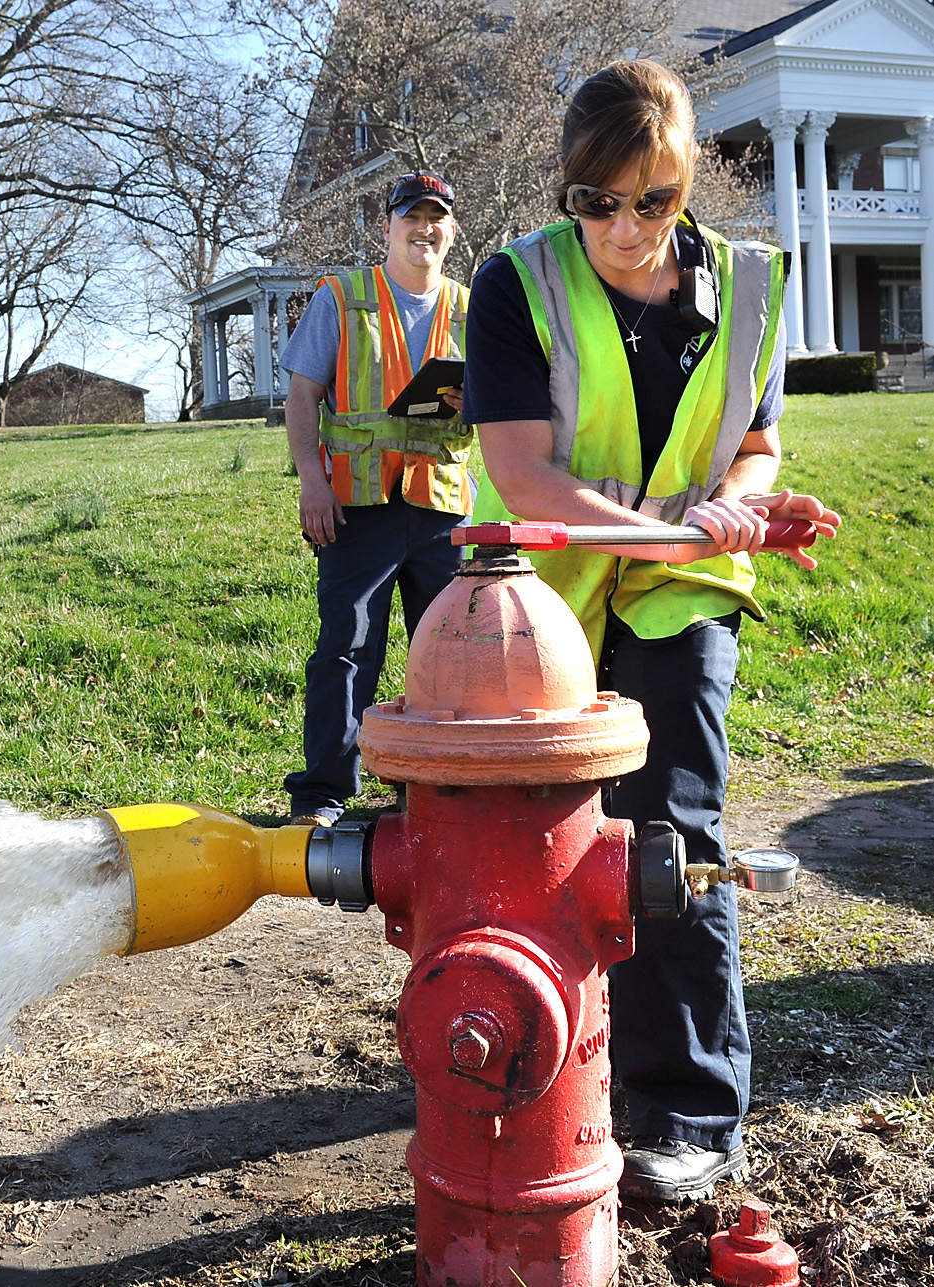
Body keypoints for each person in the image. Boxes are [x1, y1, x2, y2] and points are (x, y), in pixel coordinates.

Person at [462, 60, 840, 1203]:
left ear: (688, 183)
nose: (625, 231)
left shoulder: (752, 288)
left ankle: (689, 1110)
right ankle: (553, 1052)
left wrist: (741, 504)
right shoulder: (513, 284)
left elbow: (755, 446)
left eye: (654, 202)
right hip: (549, 598)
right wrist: (670, 532)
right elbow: (522, 470)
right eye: (596, 203)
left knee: (670, 828)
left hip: (684, 589)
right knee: (545, 835)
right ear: (565, 186)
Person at [280, 171, 475, 828]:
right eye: (411, 217)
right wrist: (311, 482)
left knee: (446, 658)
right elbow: (302, 396)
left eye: (436, 218)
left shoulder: (474, 308)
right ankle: (322, 795)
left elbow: (506, 405)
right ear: (387, 226)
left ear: (451, 231)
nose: (424, 228)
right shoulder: (341, 298)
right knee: (346, 648)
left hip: (443, 506)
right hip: (357, 504)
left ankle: (438, 789)